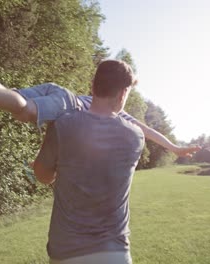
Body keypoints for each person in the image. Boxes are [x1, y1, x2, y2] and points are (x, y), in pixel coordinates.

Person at [0, 56, 200, 158]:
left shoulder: (93, 97)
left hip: (57, 90)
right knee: (24, 110)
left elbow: (148, 129)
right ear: (122, 93)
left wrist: (175, 147)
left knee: (8, 93)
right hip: (64, 101)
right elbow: (147, 130)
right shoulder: (118, 112)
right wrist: (174, 148)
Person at [34, 59, 142, 263]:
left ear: (93, 86)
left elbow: (42, 174)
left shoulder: (62, 123)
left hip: (65, 251)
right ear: (123, 93)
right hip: (115, 253)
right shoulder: (135, 136)